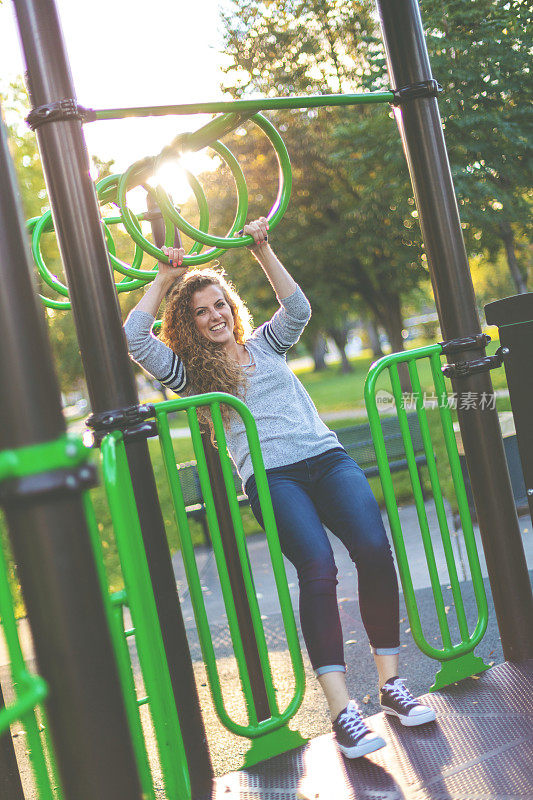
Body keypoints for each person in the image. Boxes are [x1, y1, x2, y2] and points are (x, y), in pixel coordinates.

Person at [124, 217, 436, 759]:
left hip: (327, 458)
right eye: (200, 311)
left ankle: (391, 685)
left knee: (373, 550)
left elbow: (298, 310)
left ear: (231, 306)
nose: (214, 315)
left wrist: (263, 249)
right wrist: (162, 279)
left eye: (220, 303)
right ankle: (343, 713)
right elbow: (133, 338)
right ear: (189, 323)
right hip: (273, 477)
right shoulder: (188, 375)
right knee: (318, 568)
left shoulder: (267, 345)